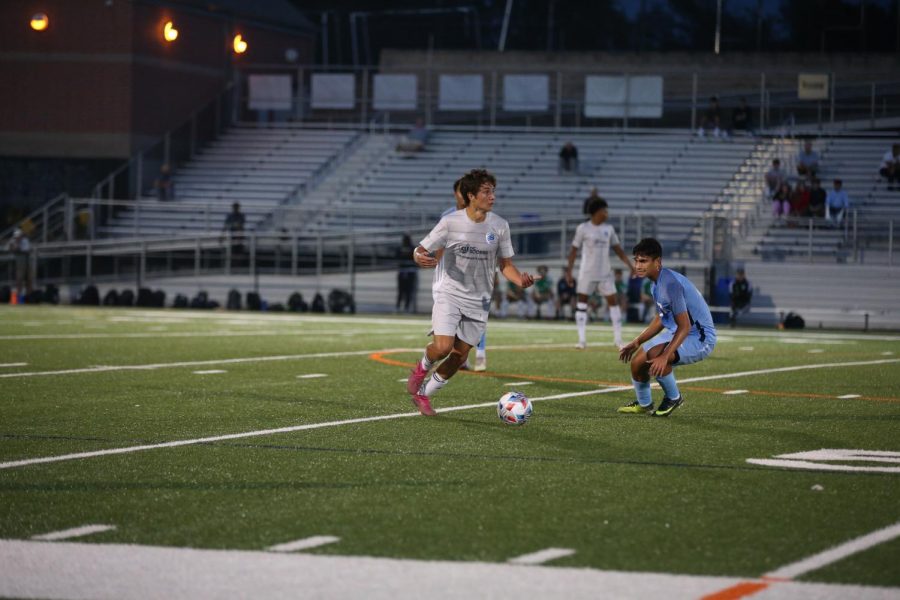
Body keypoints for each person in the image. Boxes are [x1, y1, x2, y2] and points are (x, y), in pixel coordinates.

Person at [406, 168, 538, 416]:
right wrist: (417, 256)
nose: (492, 197)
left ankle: (424, 394)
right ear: (471, 195)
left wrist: (521, 281)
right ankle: (422, 366)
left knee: (459, 356)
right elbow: (421, 248)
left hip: (479, 300)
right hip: (450, 293)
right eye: (486, 192)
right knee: (443, 348)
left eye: (493, 191)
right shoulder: (450, 222)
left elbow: (506, 265)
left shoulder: (500, 225)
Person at [618, 238, 716, 417]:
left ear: (658, 262)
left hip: (700, 338)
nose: (638, 265)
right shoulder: (656, 283)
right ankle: (644, 404)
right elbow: (662, 319)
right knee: (638, 362)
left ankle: (673, 397)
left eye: (643, 261)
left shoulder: (670, 284)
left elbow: (684, 326)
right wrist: (636, 341)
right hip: (679, 332)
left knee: (656, 355)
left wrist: (664, 356)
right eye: (636, 260)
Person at [430, 178, 488, 371]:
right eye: (460, 191)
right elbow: (439, 243)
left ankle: (478, 354)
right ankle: (455, 356)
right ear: (456, 193)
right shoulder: (447, 216)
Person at [567, 196, 634, 349]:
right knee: (582, 303)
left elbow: (618, 250)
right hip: (587, 273)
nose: (607, 213)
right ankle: (582, 340)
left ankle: (618, 340)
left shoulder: (608, 229)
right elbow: (573, 251)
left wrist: (630, 266)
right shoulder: (583, 228)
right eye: (604, 210)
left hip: (605, 273)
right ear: (596, 212)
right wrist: (569, 272)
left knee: (613, 303)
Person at [6, 228, 33, 300]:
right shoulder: (12, 241)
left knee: (29, 279)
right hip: (18, 262)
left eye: (19, 236)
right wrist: (16, 246)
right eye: (17, 237)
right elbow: (11, 249)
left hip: (26, 260)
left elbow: (27, 250)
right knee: (19, 279)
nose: (18, 238)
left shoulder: (25, 241)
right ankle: (19, 296)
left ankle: (29, 296)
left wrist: (18, 248)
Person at [396, 234, 418, 313]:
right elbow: (397, 256)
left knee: (408, 291)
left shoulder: (413, 249)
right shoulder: (400, 248)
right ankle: (398, 307)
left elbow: (415, 258)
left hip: (410, 271)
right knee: (401, 290)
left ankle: (406, 307)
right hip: (402, 271)